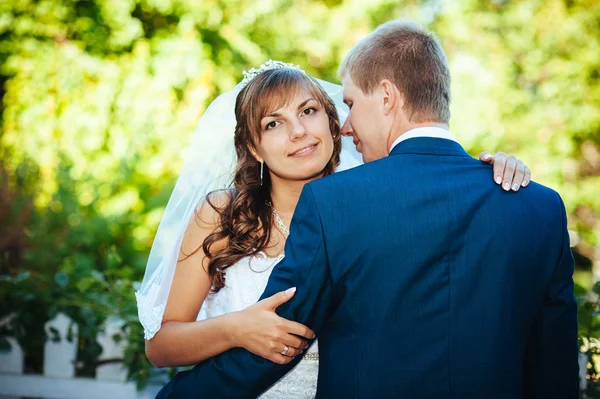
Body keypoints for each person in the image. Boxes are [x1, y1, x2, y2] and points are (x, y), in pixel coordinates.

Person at [153, 20, 578, 399]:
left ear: (387, 97)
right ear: (253, 147)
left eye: (341, 106)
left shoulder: (337, 203)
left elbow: (275, 346)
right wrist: (235, 328)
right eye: (273, 123)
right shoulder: (540, 204)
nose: (346, 123)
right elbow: (554, 366)